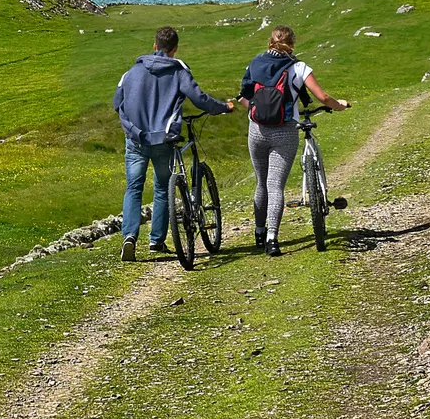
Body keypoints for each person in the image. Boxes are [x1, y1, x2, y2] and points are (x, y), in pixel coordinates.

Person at [112, 26, 235, 261]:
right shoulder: (178, 69)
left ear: (154, 45)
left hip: (136, 138)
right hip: (163, 139)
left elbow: (117, 102)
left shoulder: (131, 72)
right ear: (175, 49)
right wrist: (223, 108)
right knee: (161, 189)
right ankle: (156, 241)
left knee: (134, 188)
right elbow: (199, 99)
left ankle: (129, 237)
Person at [239, 25, 350, 255]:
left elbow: (242, 96)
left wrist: (255, 110)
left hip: (257, 130)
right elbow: (323, 97)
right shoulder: (298, 67)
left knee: (261, 183)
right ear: (292, 44)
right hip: (285, 131)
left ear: (271, 41)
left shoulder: (255, 63)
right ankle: (272, 239)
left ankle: (259, 232)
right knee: (275, 185)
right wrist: (340, 105)